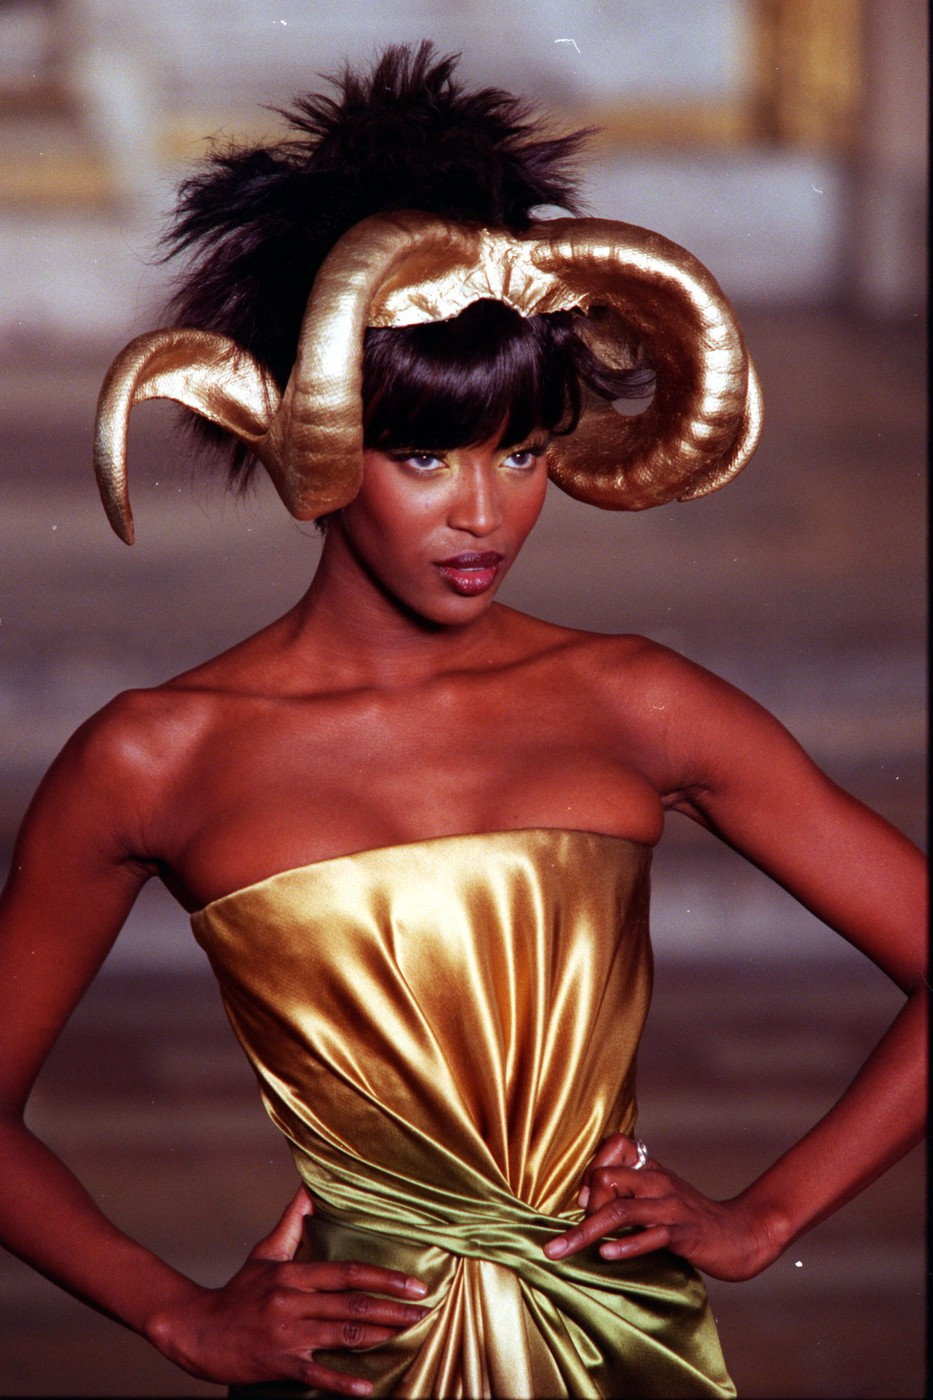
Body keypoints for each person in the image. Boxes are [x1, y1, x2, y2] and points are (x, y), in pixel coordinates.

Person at [0, 44, 925, 1400]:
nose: (484, 513)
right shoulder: (156, 756)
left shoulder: (638, 702)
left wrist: (765, 1216)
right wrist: (176, 1316)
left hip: (623, 1346)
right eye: (423, 454)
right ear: (311, 437)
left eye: (524, 450)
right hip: (357, 1362)